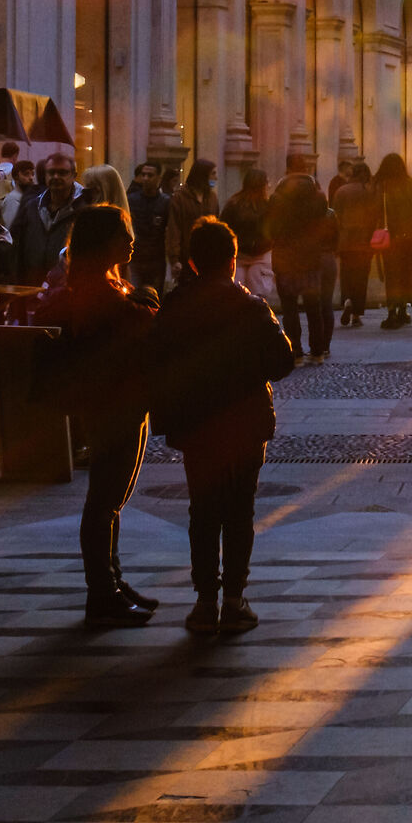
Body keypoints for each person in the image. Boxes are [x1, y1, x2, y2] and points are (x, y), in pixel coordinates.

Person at [143, 218, 297, 635]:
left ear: (192, 261)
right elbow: (283, 361)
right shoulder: (250, 306)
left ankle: (205, 600)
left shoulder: (176, 306)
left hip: (198, 426)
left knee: (204, 510)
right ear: (232, 261)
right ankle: (234, 599)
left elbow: (155, 360)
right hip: (245, 423)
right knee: (239, 511)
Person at [36, 203, 158, 625]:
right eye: (124, 234)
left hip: (127, 395)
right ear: (105, 241)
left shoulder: (110, 281)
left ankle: (113, 581)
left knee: (113, 499)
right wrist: (145, 304)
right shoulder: (94, 287)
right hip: (111, 400)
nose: (131, 241)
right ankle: (102, 594)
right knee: (104, 499)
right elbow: (139, 325)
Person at [266, 151, 335, 358]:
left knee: (289, 307)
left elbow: (272, 228)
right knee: (313, 306)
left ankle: (294, 349)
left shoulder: (277, 197)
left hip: (286, 258)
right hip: (311, 257)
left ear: (287, 169)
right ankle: (317, 351)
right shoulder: (318, 196)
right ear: (306, 169)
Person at [12, 151, 80, 286]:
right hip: (31, 288)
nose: (56, 176)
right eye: (51, 172)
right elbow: (18, 251)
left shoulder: (83, 211)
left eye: (62, 172)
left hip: (66, 292)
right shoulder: (31, 207)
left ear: (73, 176)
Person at [331, 156, 383, 328]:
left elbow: (334, 216)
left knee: (346, 274)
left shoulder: (341, 191)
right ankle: (356, 314)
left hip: (345, 242)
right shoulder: (369, 192)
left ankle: (346, 299)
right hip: (364, 242)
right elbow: (375, 216)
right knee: (361, 277)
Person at [375, 153, 412, 330]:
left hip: (391, 238)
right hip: (409, 238)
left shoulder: (382, 185)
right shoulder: (409, 184)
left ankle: (392, 311)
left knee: (391, 276)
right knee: (405, 275)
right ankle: (403, 309)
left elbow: (376, 211)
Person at [221, 166, 274, 300]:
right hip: (256, 253)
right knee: (257, 294)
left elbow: (224, 229)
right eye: (266, 183)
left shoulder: (233, 203)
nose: (268, 186)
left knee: (238, 293)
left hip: (241, 253)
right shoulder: (267, 205)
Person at [165, 158, 220, 285]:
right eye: (213, 174)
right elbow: (174, 229)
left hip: (209, 255)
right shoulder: (180, 198)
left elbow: (217, 225)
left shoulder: (212, 198)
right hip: (187, 256)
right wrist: (174, 258)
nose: (215, 178)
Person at [126, 162, 170, 290]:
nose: (145, 178)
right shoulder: (132, 200)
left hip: (156, 259)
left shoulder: (165, 202)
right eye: (143, 175)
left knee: (154, 298)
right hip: (136, 257)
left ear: (158, 179)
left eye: (150, 175)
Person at [0, 155, 40, 233]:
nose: (31, 177)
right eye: (26, 174)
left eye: (32, 174)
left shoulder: (30, 198)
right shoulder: (12, 200)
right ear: (16, 177)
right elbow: (10, 229)